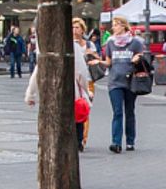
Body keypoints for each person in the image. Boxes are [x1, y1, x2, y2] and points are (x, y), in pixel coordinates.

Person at [24, 16, 93, 152]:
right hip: (70, 88)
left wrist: (30, 94)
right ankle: (77, 141)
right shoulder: (72, 45)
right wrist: (86, 90)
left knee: (53, 118)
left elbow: (38, 70)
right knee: (75, 116)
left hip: (49, 91)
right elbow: (81, 72)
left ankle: (54, 142)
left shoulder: (43, 47)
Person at [94, 15, 146, 153]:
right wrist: (99, 62)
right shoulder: (111, 43)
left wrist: (137, 58)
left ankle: (130, 141)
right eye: (113, 25)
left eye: (116, 25)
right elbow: (109, 62)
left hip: (131, 81)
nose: (113, 27)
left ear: (123, 26)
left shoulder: (135, 42)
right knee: (117, 112)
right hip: (115, 82)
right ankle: (116, 142)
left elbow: (143, 59)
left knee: (129, 111)